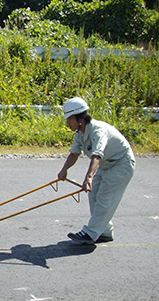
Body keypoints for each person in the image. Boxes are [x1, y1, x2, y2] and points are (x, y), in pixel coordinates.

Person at [57, 97, 135, 244]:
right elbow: (74, 153)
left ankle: (90, 233)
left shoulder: (98, 130)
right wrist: (64, 170)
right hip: (107, 165)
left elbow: (97, 155)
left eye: (69, 119)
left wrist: (89, 177)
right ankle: (104, 231)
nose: (67, 123)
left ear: (79, 119)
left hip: (121, 163)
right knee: (94, 194)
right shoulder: (79, 133)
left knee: (105, 196)